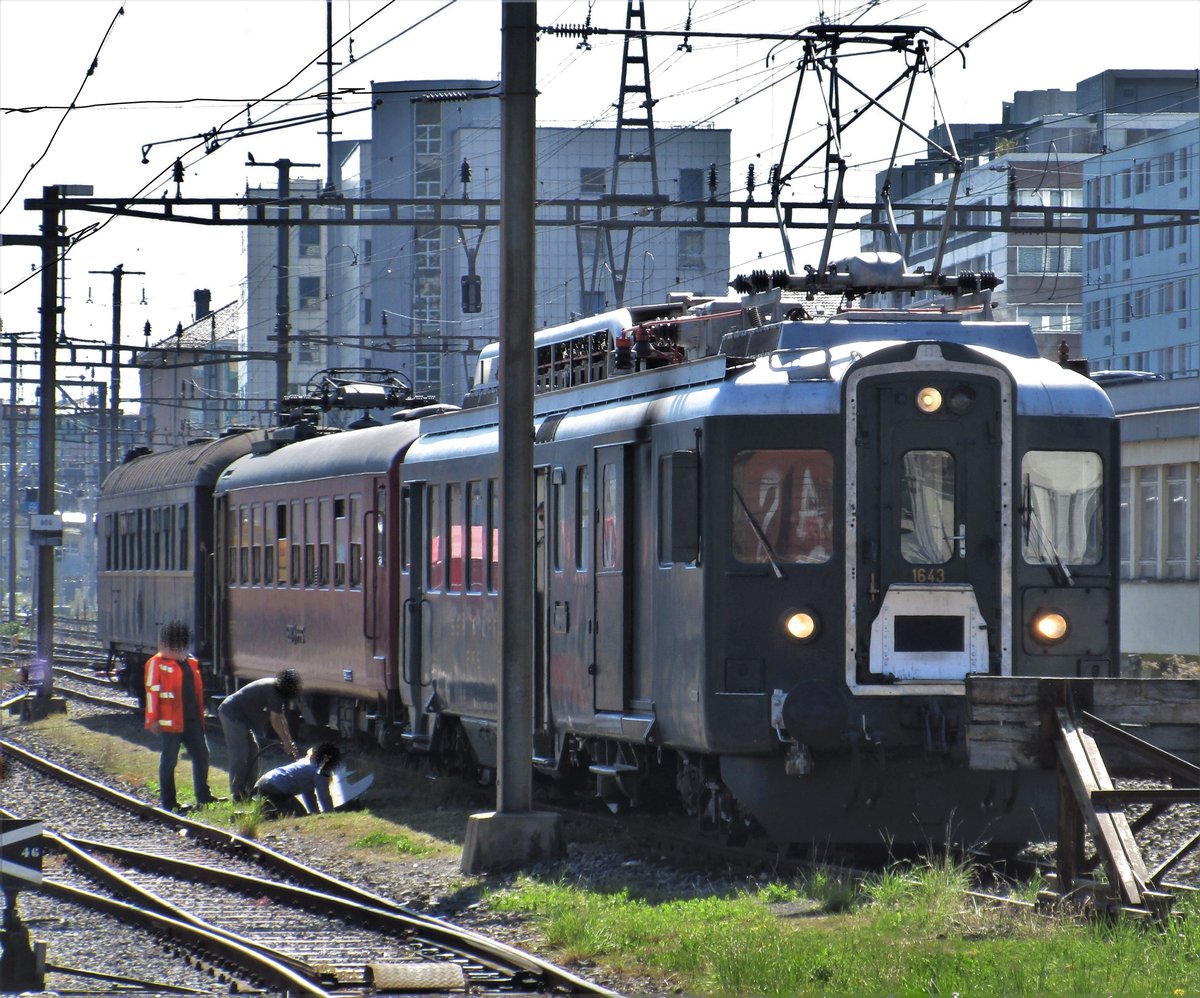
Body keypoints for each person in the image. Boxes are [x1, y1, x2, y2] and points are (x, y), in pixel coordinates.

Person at [144, 620, 216, 812]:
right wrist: (152, 719)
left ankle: (203, 796)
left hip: (191, 719)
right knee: (169, 761)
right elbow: (152, 692)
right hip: (171, 722)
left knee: (202, 755)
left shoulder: (190, 663)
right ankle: (169, 802)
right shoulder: (156, 664)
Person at [217, 668, 302, 801]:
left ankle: (250, 790)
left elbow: (282, 719)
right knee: (241, 752)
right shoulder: (274, 689)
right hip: (232, 714)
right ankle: (237, 793)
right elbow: (275, 720)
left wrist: (289, 742)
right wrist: (285, 742)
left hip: (244, 719)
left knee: (253, 751)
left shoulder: (278, 691)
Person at [254, 742, 341, 816]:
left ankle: (267, 812)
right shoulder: (320, 769)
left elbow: (308, 795)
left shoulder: (304, 763)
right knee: (299, 815)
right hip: (276, 787)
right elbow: (323, 796)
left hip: (263, 783)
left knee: (295, 812)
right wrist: (330, 814)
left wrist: (315, 814)